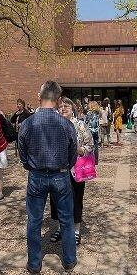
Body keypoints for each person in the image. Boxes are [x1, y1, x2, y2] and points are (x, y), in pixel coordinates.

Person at [18, 80, 78, 275]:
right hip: (60, 175)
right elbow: (73, 154)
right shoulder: (66, 124)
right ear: (58, 100)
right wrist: (64, 167)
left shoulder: (27, 123)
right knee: (66, 220)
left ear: (39, 96)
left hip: (36, 176)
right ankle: (69, 260)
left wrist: (31, 166)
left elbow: (22, 153)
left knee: (34, 221)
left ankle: (35, 264)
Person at [49, 97, 94, 245]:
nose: (63, 108)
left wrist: (79, 149)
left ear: (72, 108)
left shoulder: (80, 125)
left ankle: (75, 230)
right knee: (56, 201)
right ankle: (60, 229)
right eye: (60, 106)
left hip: (76, 170)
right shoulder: (54, 125)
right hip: (56, 170)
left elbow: (90, 146)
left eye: (66, 106)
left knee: (76, 199)